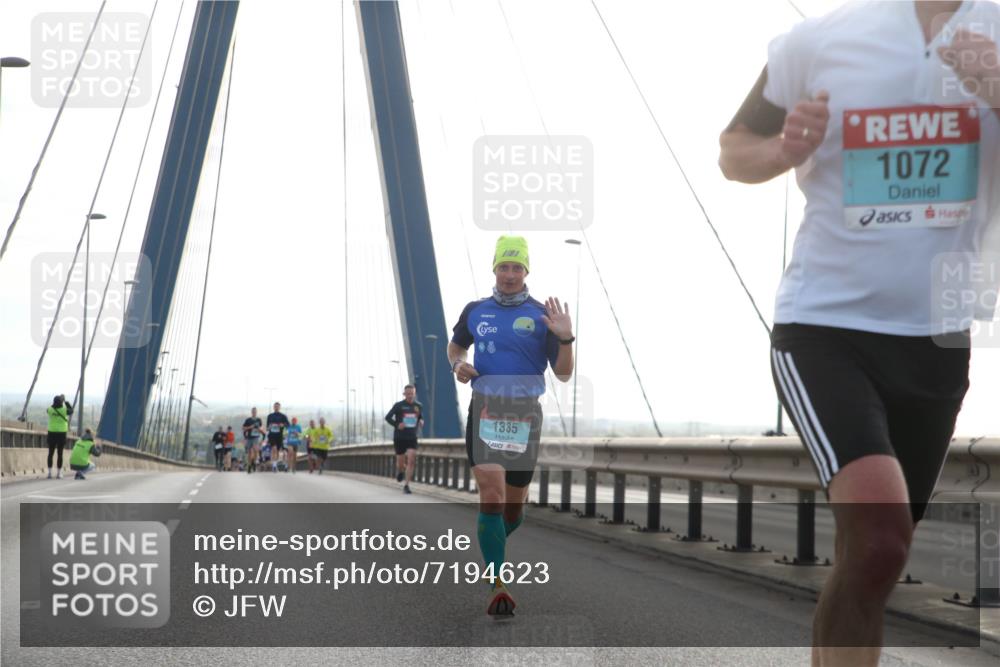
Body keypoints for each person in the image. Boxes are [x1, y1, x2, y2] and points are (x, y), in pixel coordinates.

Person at [718, 2, 999, 664]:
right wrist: (782, 149)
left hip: (938, 340)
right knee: (879, 542)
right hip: (825, 328)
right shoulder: (820, 41)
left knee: (870, 559)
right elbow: (733, 151)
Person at [448, 235, 574, 616]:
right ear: (494, 269)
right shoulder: (476, 311)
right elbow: (456, 346)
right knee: (492, 496)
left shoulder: (542, 316)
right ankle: (497, 582)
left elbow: (564, 373)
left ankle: (492, 548)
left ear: (526, 271)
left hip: (524, 415)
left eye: (517, 267)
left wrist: (565, 338)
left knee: (513, 512)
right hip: (485, 409)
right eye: (503, 266)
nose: (509, 274)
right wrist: (458, 364)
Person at [384, 385, 423, 494]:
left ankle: (407, 485)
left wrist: (421, 421)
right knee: (400, 462)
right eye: (408, 394)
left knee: (411, 460)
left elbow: (419, 416)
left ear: (414, 394)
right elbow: (388, 417)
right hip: (400, 437)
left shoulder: (418, 406)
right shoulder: (398, 405)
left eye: (412, 394)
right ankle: (401, 471)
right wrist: (397, 425)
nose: (410, 396)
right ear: (404, 394)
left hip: (412, 437)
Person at [46, 394, 73, 479]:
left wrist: (55, 403)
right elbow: (71, 410)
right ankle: (59, 473)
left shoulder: (50, 410)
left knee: (50, 453)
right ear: (61, 402)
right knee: (60, 454)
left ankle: (49, 473)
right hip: (61, 433)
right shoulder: (64, 410)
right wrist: (65, 401)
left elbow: (48, 409)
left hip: (51, 432)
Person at [266, 402, 290, 472]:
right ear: (273, 407)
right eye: (275, 406)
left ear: (279, 407)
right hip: (272, 435)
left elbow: (288, 425)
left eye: (277, 406)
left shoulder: (283, 416)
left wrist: (283, 425)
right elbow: (267, 427)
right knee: (274, 448)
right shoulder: (270, 416)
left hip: (279, 436)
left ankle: (275, 464)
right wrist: (269, 427)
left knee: (277, 451)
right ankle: (274, 465)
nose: (276, 408)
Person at [243, 407, 264, 474]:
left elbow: (262, 427)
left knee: (255, 450)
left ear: (256, 412)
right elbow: (243, 428)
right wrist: (250, 427)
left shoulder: (259, 420)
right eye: (253, 411)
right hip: (249, 437)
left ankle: (253, 462)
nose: (254, 412)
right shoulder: (248, 420)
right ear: (251, 412)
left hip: (256, 437)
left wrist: (259, 429)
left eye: (255, 411)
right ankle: (249, 465)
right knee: (249, 453)